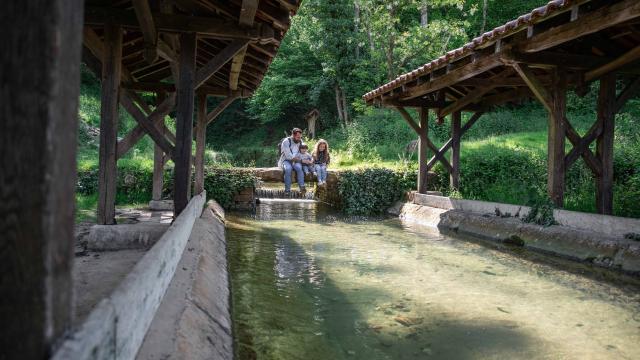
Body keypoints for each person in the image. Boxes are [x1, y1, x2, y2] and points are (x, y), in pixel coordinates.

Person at [278, 127, 306, 193]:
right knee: (288, 169)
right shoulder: (286, 141)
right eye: (298, 137)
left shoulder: (300, 141)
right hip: (286, 160)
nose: (299, 139)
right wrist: (299, 160)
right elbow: (288, 155)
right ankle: (287, 190)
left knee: (299, 168)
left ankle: (302, 187)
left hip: (296, 160)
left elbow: (303, 152)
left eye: (300, 137)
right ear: (293, 135)